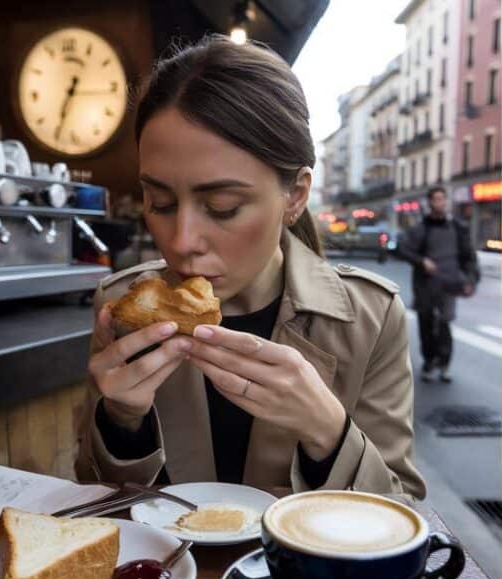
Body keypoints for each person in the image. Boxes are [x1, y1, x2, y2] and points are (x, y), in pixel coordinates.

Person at [74, 35, 425, 497]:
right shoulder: (121, 306)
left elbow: (402, 509)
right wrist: (120, 422)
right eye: (160, 202)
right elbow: (91, 492)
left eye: (223, 207)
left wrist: (327, 431)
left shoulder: (370, 318)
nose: (181, 242)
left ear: (295, 195)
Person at [395, 186, 480, 383]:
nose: (440, 203)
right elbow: (402, 250)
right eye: (436, 199)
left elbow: (469, 257)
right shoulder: (420, 229)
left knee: (445, 323)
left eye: (443, 199)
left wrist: (470, 281)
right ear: (430, 202)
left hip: (450, 284)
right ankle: (429, 361)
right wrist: (422, 261)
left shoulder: (458, 228)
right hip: (425, 285)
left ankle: (444, 364)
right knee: (426, 323)